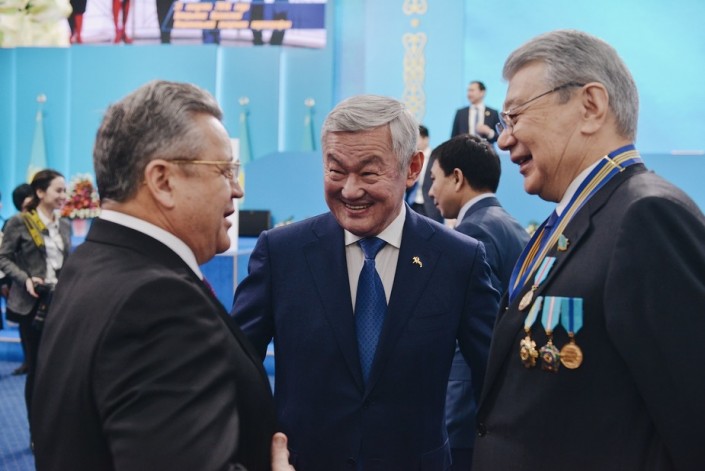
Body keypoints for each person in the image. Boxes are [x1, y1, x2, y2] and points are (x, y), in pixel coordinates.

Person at [473, 29, 705, 471]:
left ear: (591, 106)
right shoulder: (575, 219)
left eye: (515, 116)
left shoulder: (647, 216)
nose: (503, 140)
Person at [30, 80, 291, 470]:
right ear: (163, 181)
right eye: (224, 171)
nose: (236, 191)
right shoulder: (158, 301)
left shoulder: (91, 263)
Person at [231, 94, 499, 470]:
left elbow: (494, 381)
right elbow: (236, 372)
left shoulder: (458, 259)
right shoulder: (282, 254)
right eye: (336, 171)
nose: (350, 190)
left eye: (369, 173)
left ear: (412, 168)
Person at [428, 134, 529, 470]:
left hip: (466, 405)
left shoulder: (473, 234)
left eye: (434, 179)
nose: (431, 192)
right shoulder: (512, 225)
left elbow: (472, 332)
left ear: (457, 178)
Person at [0, 169, 70, 444]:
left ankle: (57, 426)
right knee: (37, 370)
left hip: (59, 304)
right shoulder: (19, 222)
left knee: (59, 370)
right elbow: (3, 258)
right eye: (58, 190)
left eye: (65, 191)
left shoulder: (64, 225)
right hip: (31, 306)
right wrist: (26, 279)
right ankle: (36, 432)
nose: (63, 196)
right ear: (40, 192)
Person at [3, 182, 38, 376]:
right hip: (19, 283)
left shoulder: (49, 222)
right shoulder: (12, 223)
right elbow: (7, 257)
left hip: (42, 285)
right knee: (25, 327)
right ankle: (27, 360)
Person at [407, 124, 443, 222]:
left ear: (426, 139)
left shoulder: (437, 157)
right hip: (412, 203)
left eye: (417, 139)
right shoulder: (410, 157)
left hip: (430, 206)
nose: (414, 142)